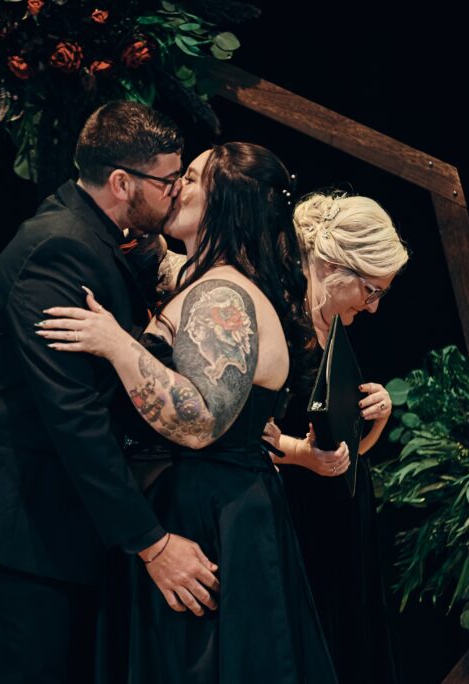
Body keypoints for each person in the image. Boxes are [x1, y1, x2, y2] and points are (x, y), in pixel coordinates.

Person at [0, 101, 220, 684]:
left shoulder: (91, 231)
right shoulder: (59, 248)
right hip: (11, 534)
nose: (178, 191)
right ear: (121, 182)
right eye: (169, 180)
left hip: (46, 530)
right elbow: (72, 413)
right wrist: (152, 543)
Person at [38, 142, 338, 683]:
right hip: (211, 502)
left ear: (227, 202)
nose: (177, 186)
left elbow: (200, 423)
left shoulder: (222, 295)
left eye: (193, 179)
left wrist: (115, 343)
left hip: (211, 515)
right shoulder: (206, 280)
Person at [266, 192, 410, 684]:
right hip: (297, 524)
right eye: (371, 291)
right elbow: (240, 434)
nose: (372, 308)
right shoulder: (280, 328)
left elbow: (346, 457)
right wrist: (301, 455)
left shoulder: (335, 329)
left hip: (344, 524)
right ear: (332, 267)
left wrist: (378, 419)